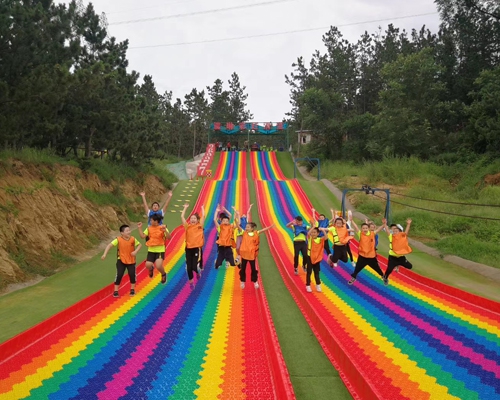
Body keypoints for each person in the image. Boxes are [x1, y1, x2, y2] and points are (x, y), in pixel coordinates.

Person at [101, 224, 142, 297]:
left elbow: (139, 245)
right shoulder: (118, 240)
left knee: (132, 274)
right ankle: (116, 291)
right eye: (127, 231)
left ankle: (132, 290)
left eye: (129, 230)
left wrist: (136, 251)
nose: (129, 232)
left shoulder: (133, 239)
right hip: (121, 260)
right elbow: (109, 245)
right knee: (119, 274)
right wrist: (104, 254)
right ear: (122, 233)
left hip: (131, 260)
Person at [236, 220, 274, 289]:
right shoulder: (244, 233)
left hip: (251, 255)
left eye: (248, 227)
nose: (246, 228)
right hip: (244, 255)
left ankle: (255, 281)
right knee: (243, 269)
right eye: (246, 227)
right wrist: (236, 219)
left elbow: (263, 230)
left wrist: (270, 227)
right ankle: (242, 281)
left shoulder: (256, 233)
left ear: (252, 228)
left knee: (253, 269)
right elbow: (238, 227)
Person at [347, 219, 386, 285]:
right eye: (363, 228)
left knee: (377, 268)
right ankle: (353, 278)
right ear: (361, 229)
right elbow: (356, 227)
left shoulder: (372, 234)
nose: (365, 229)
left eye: (366, 228)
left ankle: (384, 277)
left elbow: (379, 229)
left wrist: (384, 224)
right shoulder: (360, 234)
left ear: (368, 228)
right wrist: (352, 220)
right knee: (357, 268)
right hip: (362, 256)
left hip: (371, 256)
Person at [138, 214, 171, 284]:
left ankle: (163, 274)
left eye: (151, 220)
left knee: (158, 266)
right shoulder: (149, 228)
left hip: (160, 250)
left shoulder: (162, 228)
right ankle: (151, 269)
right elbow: (142, 236)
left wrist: (165, 231)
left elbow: (169, 237)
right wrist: (139, 228)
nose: (150, 221)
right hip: (151, 250)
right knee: (148, 265)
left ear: (156, 221)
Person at [181, 203, 205, 288]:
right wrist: (185, 208)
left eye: (194, 218)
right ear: (190, 220)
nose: (193, 219)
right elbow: (182, 217)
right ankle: (191, 283)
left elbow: (203, 216)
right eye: (191, 218)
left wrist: (202, 208)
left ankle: (198, 272)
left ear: (197, 220)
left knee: (195, 266)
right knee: (189, 268)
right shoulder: (188, 227)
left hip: (196, 249)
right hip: (188, 249)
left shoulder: (200, 226)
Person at [382, 219, 413, 284]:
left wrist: (408, 224)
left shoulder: (402, 236)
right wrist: (384, 224)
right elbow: (387, 231)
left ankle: (398, 265)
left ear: (400, 232)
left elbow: (406, 232)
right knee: (389, 269)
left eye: (396, 231)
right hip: (392, 257)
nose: (395, 232)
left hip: (401, 257)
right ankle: (385, 278)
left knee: (410, 266)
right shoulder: (391, 236)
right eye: (394, 231)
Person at [306, 225, 330, 293]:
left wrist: (323, 230)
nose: (313, 234)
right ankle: (308, 285)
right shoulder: (310, 238)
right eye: (312, 232)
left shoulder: (319, 239)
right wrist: (313, 227)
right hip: (309, 257)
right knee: (309, 272)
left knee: (316, 272)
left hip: (316, 258)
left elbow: (326, 237)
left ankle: (318, 285)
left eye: (315, 232)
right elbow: (308, 233)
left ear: (318, 233)